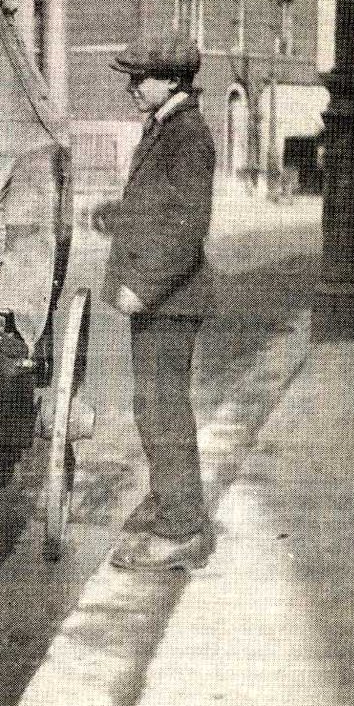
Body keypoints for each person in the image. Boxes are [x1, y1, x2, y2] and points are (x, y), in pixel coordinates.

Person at [96, 34, 216, 572]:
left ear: (170, 81)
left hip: (169, 299)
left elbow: (187, 227)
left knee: (164, 410)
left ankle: (184, 527)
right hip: (163, 300)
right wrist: (113, 215)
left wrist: (142, 285)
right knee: (152, 405)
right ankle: (168, 501)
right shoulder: (166, 126)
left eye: (140, 78)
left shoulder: (187, 134)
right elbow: (157, 208)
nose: (131, 87)